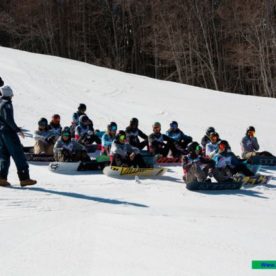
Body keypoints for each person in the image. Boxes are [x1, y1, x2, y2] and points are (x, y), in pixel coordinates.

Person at [0, 85, 36, 187]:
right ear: (10, 93)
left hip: (1, 133)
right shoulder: (7, 104)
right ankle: (24, 178)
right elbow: (9, 119)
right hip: (9, 133)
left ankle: (1, 177)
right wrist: (17, 129)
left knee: (4, 155)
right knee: (18, 154)